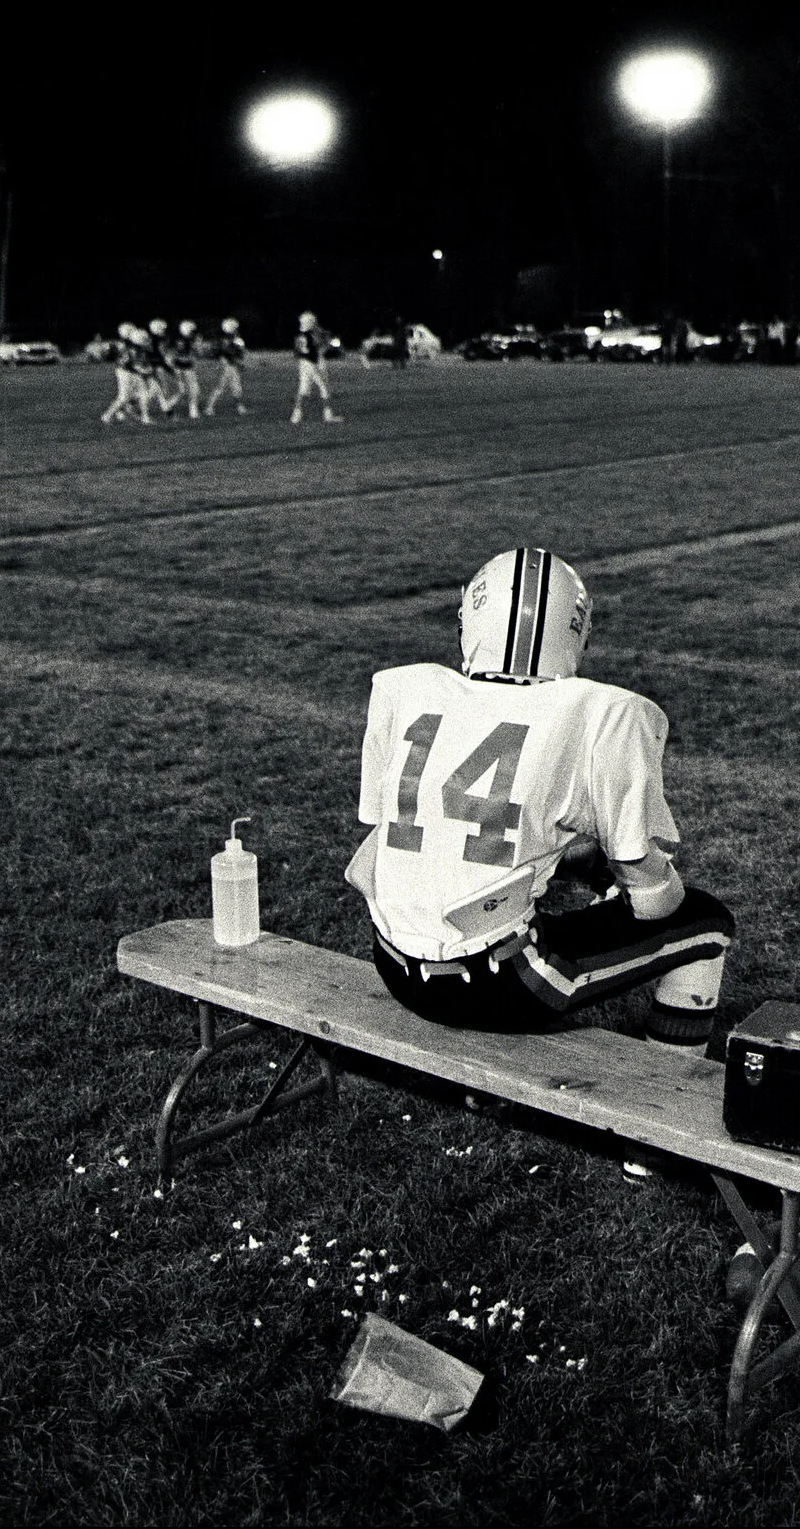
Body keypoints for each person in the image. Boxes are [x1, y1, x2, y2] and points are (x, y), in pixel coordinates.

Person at [347, 547, 735, 1048]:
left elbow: (427, 838)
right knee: (705, 924)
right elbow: (655, 899)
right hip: (498, 983)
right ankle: (670, 1086)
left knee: (580, 864)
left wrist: (584, 864)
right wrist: (627, 886)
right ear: (578, 634)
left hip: (392, 963)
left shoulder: (407, 687)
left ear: (468, 619)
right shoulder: (601, 712)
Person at [292, 310, 339, 423]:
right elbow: (320, 347)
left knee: (303, 389)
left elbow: (296, 352)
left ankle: (296, 415)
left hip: (303, 364)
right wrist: (327, 342)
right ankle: (328, 415)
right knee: (324, 388)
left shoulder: (300, 336)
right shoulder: (312, 336)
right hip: (313, 364)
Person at [205, 316, 248, 415]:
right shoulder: (227, 341)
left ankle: (239, 407)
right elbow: (230, 354)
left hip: (230, 365)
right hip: (228, 366)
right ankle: (209, 407)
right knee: (221, 388)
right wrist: (239, 363)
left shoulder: (228, 340)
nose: (236, 330)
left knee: (236, 387)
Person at [169, 319, 203, 416]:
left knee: (194, 389)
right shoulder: (182, 341)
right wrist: (197, 344)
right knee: (183, 390)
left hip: (185, 367)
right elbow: (195, 353)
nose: (193, 333)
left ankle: (193, 409)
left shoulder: (182, 339)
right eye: (192, 331)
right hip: (182, 368)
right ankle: (169, 405)